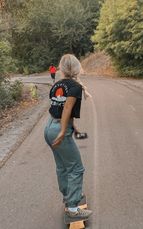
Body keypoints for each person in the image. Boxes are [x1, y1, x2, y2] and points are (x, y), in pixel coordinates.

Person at [44, 54, 92, 220]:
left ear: (62, 68)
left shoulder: (58, 84)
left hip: (49, 126)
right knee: (76, 168)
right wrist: (64, 131)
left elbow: (60, 108)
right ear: (76, 67)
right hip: (58, 129)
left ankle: (67, 196)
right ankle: (73, 209)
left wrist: (73, 128)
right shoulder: (75, 87)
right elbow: (66, 110)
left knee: (62, 167)